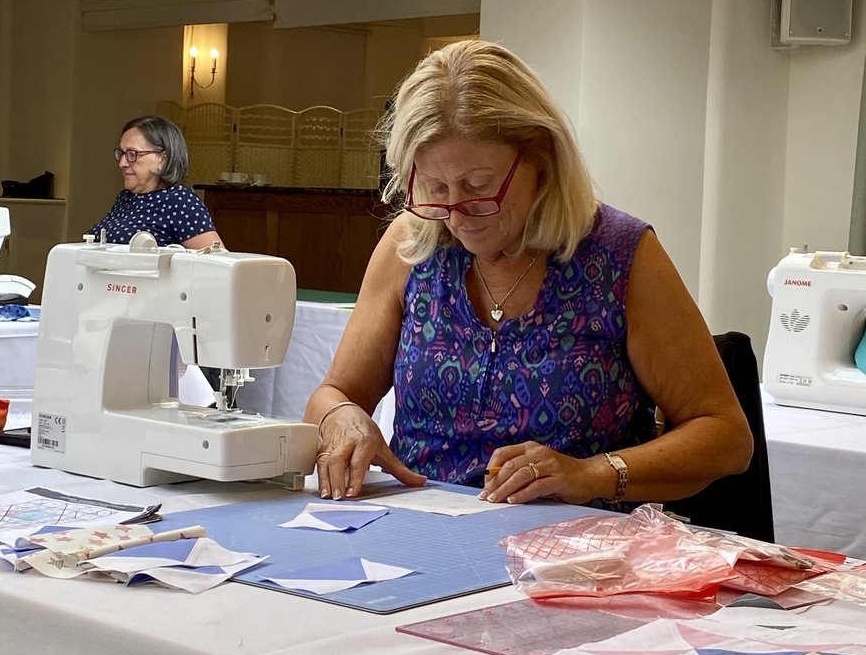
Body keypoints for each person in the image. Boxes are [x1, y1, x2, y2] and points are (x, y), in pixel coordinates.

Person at [306, 39, 752, 507]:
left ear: (542, 159)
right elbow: (333, 393)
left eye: (479, 187)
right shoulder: (412, 244)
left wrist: (592, 473)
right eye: (435, 188)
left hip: (569, 554)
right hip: (419, 532)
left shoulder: (619, 255)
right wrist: (342, 417)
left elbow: (725, 437)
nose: (456, 214)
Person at [89, 115, 224, 249]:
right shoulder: (125, 198)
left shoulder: (179, 200)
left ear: (162, 159)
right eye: (122, 154)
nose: (122, 163)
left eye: (132, 154)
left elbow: (217, 261)